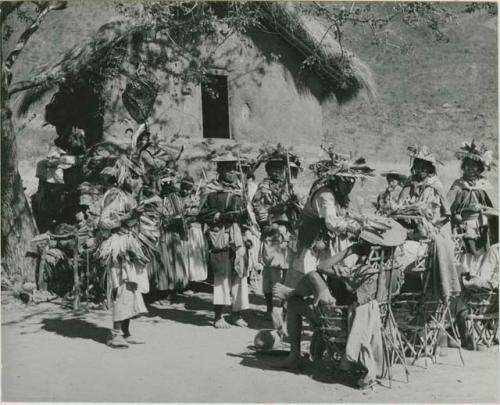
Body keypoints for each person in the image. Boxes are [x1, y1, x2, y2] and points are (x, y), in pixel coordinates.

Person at [273, 217, 406, 388]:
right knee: (316, 283)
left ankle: (294, 356)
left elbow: (322, 266)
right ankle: (293, 293)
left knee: (305, 287)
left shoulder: (363, 272)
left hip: (341, 320)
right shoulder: (394, 268)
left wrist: (350, 251)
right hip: (379, 318)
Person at [286, 148, 374, 289]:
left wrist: (363, 223)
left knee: (326, 281)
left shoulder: (342, 197)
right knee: (303, 282)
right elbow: (332, 222)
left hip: (324, 243)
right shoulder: (325, 195)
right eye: (346, 182)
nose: (349, 187)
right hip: (308, 242)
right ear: (336, 179)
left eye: (352, 183)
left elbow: (347, 215)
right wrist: (354, 228)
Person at [97, 155, 152, 348]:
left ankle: (125, 331)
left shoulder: (131, 196)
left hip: (131, 243)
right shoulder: (114, 195)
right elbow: (103, 222)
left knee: (132, 287)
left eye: (138, 177)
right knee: (122, 287)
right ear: (123, 177)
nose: (137, 181)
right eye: (133, 177)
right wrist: (130, 216)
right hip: (118, 244)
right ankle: (115, 333)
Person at [198, 153, 250, 328]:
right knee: (221, 274)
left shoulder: (240, 189)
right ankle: (218, 316)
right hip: (220, 235)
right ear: (219, 170)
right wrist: (221, 215)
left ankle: (237, 314)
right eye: (227, 169)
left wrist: (245, 223)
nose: (231, 172)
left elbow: (248, 214)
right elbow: (202, 213)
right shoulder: (211, 189)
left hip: (238, 236)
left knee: (240, 274)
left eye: (233, 169)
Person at [252, 148, 296, 318]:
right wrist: (270, 219)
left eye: (281, 168)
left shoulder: (288, 187)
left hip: (288, 233)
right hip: (273, 233)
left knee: (287, 271)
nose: (278, 171)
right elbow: (257, 207)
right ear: (269, 170)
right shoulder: (264, 187)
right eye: (274, 168)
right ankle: (272, 309)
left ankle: (284, 307)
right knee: (273, 273)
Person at [447, 140, 496, 272]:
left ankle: (480, 277)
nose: (470, 168)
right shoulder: (458, 184)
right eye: (467, 165)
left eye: (474, 166)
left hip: (481, 225)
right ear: (463, 167)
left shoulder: (483, 185)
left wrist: (482, 210)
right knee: (465, 251)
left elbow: (492, 208)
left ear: (480, 169)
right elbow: (448, 204)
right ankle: (464, 275)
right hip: (462, 224)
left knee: (482, 250)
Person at [179, 175, 208, 287]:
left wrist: (193, 210)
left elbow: (199, 213)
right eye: (183, 188)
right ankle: (184, 280)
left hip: (194, 229)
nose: (185, 190)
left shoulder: (196, 198)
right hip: (184, 230)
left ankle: (194, 280)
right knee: (185, 255)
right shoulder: (179, 198)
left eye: (187, 188)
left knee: (194, 254)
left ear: (191, 189)